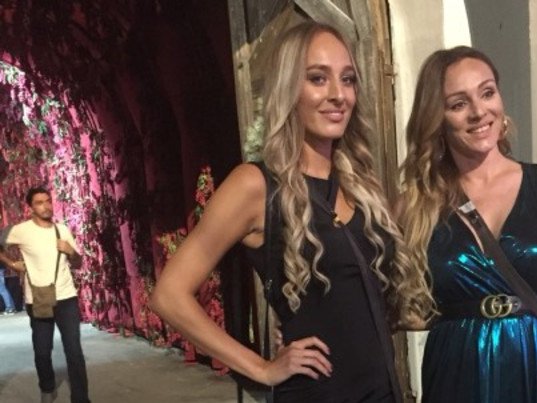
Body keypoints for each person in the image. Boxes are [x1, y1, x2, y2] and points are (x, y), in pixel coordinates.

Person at [151, 21, 432, 402]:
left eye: (348, 80)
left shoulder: (361, 185)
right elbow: (169, 295)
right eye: (318, 78)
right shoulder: (255, 185)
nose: (338, 95)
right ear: (288, 89)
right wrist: (260, 368)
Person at [398, 45, 537, 402]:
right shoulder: (417, 206)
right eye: (459, 104)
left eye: (487, 93)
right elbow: (367, 293)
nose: (479, 112)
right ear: (437, 118)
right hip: (456, 371)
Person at [0, 187, 90, 403]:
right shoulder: (21, 230)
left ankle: (81, 398)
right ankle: (47, 387)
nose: (46, 206)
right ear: (30, 208)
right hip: (38, 300)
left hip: (66, 297)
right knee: (42, 350)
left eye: (48, 201)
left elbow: (78, 263)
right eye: (39, 202)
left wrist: (70, 251)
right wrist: (11, 263)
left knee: (74, 351)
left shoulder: (62, 230)